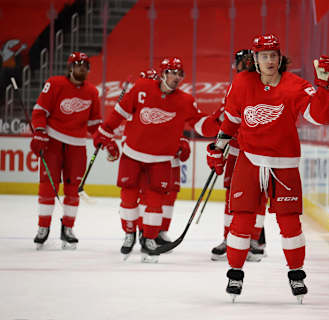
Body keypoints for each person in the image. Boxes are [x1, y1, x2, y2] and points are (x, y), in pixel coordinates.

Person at [206, 33, 329, 303]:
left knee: (289, 222)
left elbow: (320, 116)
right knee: (241, 218)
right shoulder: (242, 83)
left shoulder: (296, 86)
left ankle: (297, 274)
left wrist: (324, 86)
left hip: (285, 163)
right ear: (255, 59)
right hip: (249, 159)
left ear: (280, 58)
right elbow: (230, 121)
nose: (269, 60)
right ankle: (235, 273)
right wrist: (217, 148)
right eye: (264, 56)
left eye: (274, 55)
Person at [93, 57, 220, 262]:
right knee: (128, 199)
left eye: (180, 73)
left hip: (161, 159)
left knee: (155, 201)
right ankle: (129, 234)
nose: (177, 77)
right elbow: (120, 112)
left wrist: (219, 120)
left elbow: (202, 126)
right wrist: (104, 131)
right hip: (132, 155)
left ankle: (149, 238)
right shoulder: (142, 87)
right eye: (172, 72)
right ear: (162, 73)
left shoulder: (185, 100)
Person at [31, 51, 109, 250]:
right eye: (78, 64)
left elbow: (93, 124)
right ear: (70, 67)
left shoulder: (92, 92)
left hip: (77, 144)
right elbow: (40, 111)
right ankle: (43, 227)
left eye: (85, 65)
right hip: (53, 141)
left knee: (73, 188)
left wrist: (102, 137)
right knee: (48, 185)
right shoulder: (55, 83)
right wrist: (39, 132)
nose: (82, 68)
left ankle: (68, 228)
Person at [210, 49, 267, 262]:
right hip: (236, 150)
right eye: (241, 62)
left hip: (261, 152)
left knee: (260, 198)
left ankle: (254, 240)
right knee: (232, 198)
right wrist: (218, 143)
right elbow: (229, 118)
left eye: (248, 61)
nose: (244, 65)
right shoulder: (236, 84)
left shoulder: (265, 84)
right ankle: (229, 239)